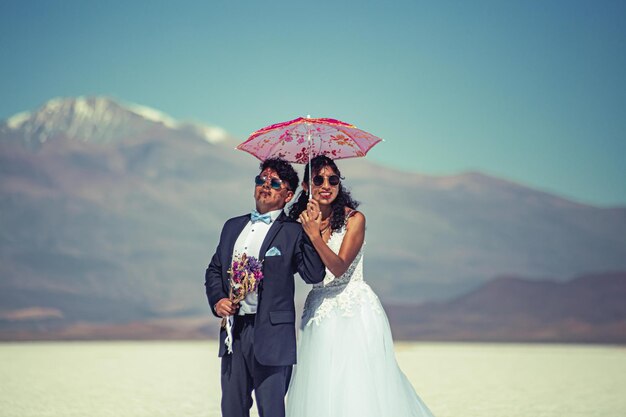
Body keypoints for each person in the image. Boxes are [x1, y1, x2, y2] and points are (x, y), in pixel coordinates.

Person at [285, 155, 435, 417]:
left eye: (333, 179)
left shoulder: (355, 219)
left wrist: (313, 236)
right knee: (320, 382)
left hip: (352, 310)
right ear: (306, 187)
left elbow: (339, 266)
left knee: (356, 383)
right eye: (318, 179)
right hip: (318, 310)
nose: (326, 185)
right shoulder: (302, 222)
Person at [205, 157, 326, 417]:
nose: (265, 185)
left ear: (289, 195)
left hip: (272, 336)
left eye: (274, 182)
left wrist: (312, 232)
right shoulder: (232, 226)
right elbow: (214, 269)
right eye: (261, 180)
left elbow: (314, 274)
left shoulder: (293, 231)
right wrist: (218, 300)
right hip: (234, 334)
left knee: (272, 411)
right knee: (232, 409)